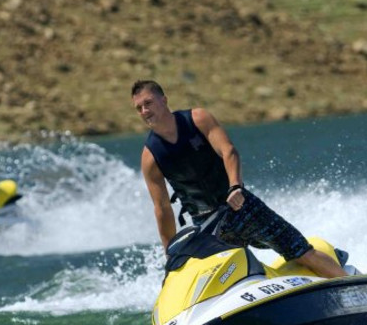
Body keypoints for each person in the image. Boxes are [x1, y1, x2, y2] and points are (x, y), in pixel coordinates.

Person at [132, 80, 347, 278]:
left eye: (148, 103)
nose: (145, 111)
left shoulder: (197, 119)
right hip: (208, 226)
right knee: (222, 279)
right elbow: (162, 208)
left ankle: (350, 284)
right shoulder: (150, 156)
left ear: (164, 100)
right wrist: (170, 251)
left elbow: (228, 151)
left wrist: (235, 187)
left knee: (301, 252)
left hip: (240, 206)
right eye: (139, 108)